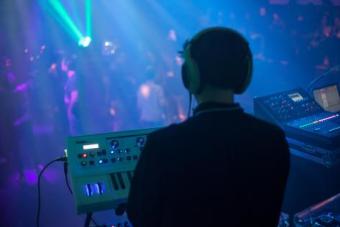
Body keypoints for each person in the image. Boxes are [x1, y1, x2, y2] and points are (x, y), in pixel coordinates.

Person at [127, 27, 290, 227]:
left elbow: (139, 215)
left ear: (190, 76)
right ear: (244, 75)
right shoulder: (272, 139)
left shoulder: (162, 145)